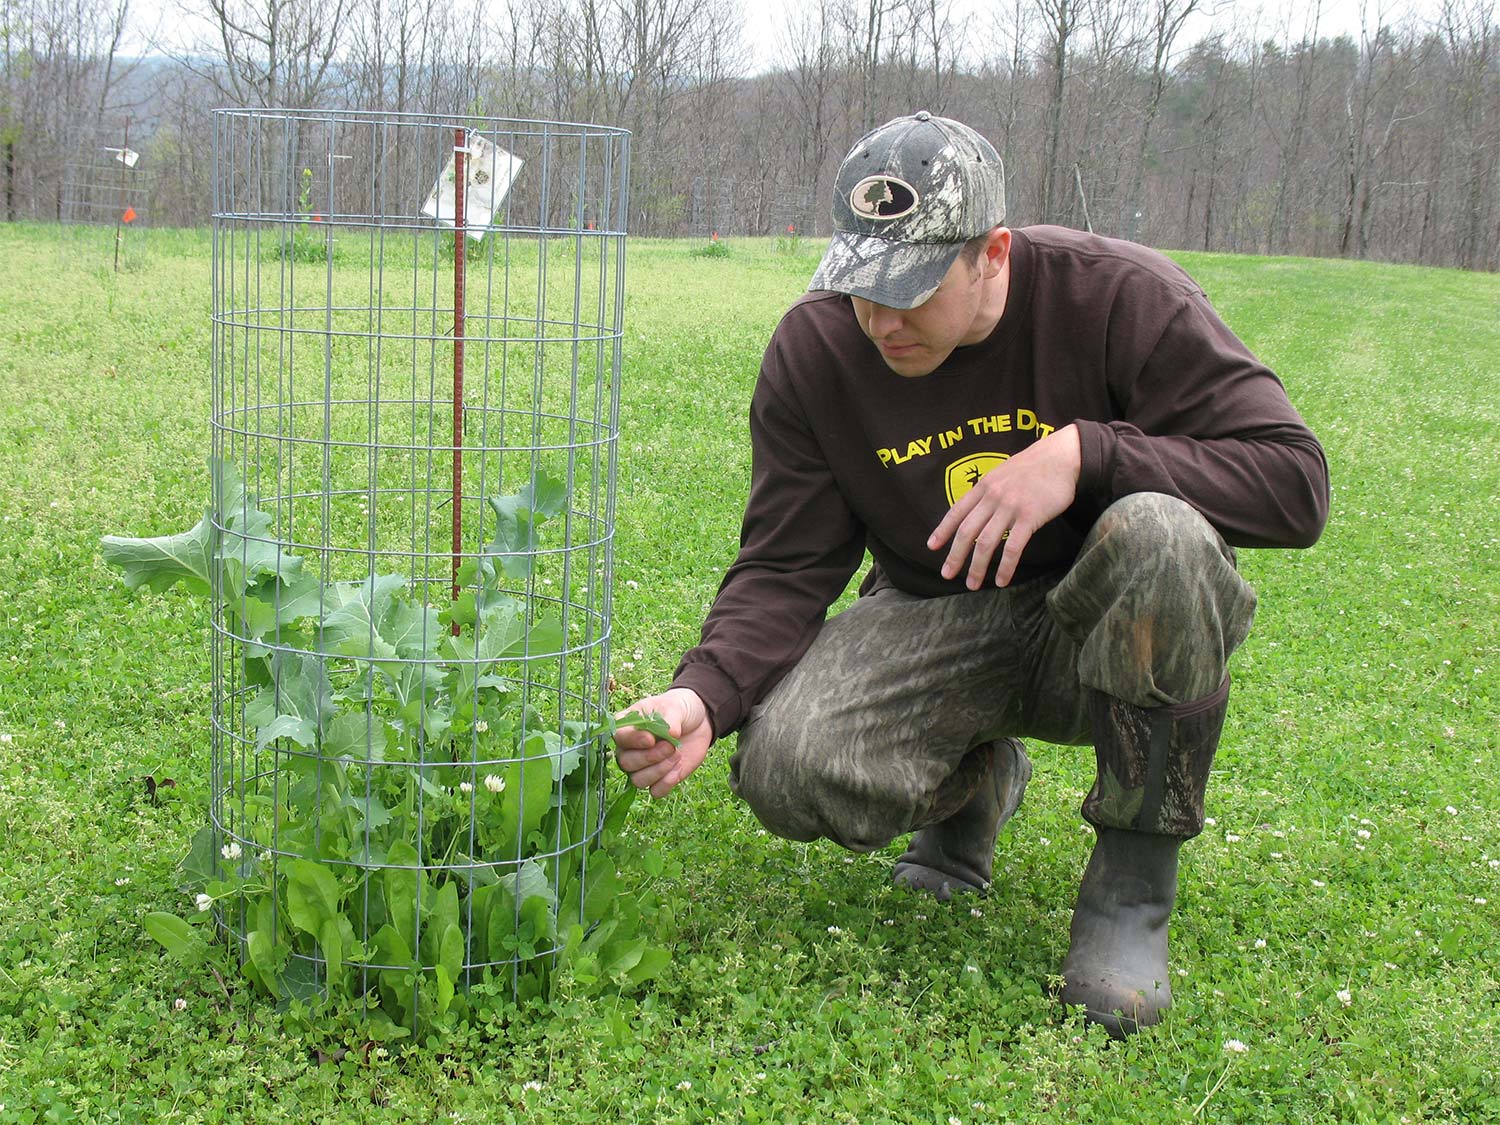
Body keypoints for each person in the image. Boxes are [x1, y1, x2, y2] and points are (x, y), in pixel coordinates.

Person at [612, 112, 1328, 1036]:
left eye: (910, 290)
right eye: (862, 285)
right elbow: (787, 566)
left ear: (992, 252)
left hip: (1106, 631)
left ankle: (1130, 887)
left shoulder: (1117, 297)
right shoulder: (819, 350)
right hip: (938, 617)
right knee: (786, 765)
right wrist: (702, 697)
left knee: (1161, 532)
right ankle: (973, 782)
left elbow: (1294, 482)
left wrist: (1088, 454)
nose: (880, 320)